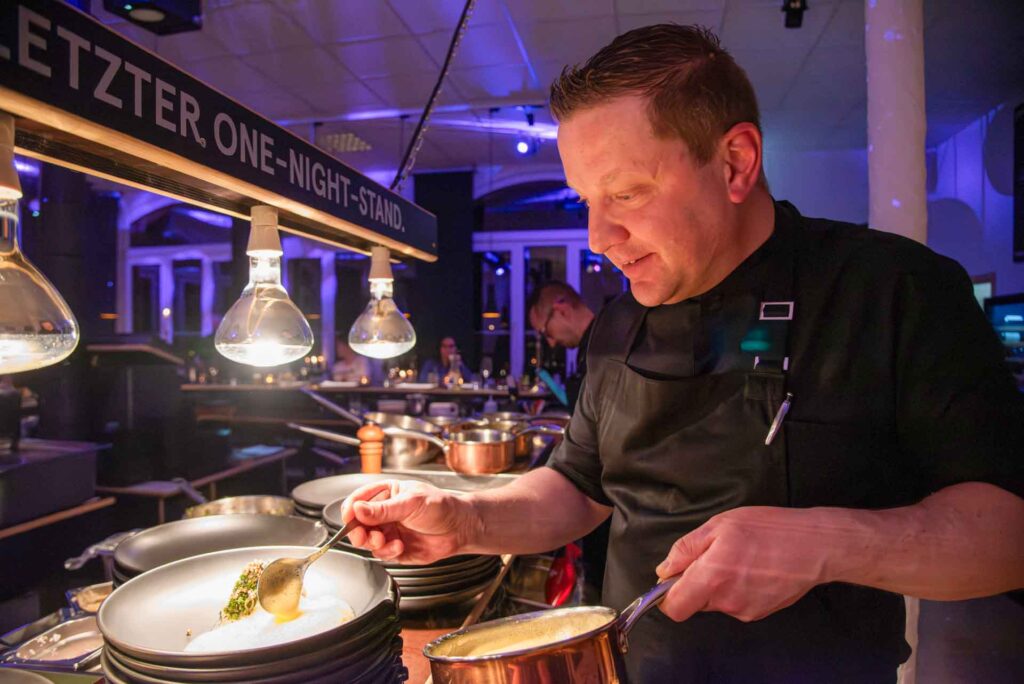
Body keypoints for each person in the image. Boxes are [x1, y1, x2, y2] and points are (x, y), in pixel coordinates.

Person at [341, 25, 1024, 682]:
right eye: (585, 201)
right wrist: (464, 519)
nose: (598, 237)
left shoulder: (891, 290)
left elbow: (1009, 535)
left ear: (735, 163)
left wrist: (824, 543)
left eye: (626, 193)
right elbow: (578, 489)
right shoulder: (617, 323)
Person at [526, 281, 596, 412]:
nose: (551, 343)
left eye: (546, 332)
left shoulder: (601, 349)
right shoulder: (592, 345)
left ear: (562, 310)